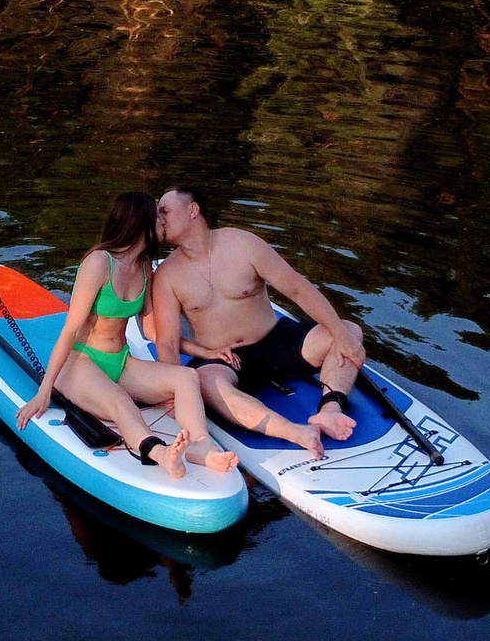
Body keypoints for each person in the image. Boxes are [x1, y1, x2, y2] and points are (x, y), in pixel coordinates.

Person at [13, 192, 240, 480]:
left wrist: (204, 352)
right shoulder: (99, 263)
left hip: (121, 361)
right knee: (122, 403)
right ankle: (161, 455)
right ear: (140, 222)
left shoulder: (145, 268)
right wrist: (44, 391)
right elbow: (70, 330)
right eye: (158, 216)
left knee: (186, 378)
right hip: (81, 362)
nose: (163, 222)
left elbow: (152, 332)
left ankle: (200, 445)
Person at [149, 186, 367, 461]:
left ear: (193, 210)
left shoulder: (243, 244)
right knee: (200, 382)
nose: (160, 219)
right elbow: (167, 341)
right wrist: (175, 397)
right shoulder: (167, 275)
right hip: (222, 358)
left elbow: (298, 289)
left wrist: (340, 335)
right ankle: (294, 431)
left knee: (348, 330)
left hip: (274, 340)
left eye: (165, 210)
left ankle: (330, 410)